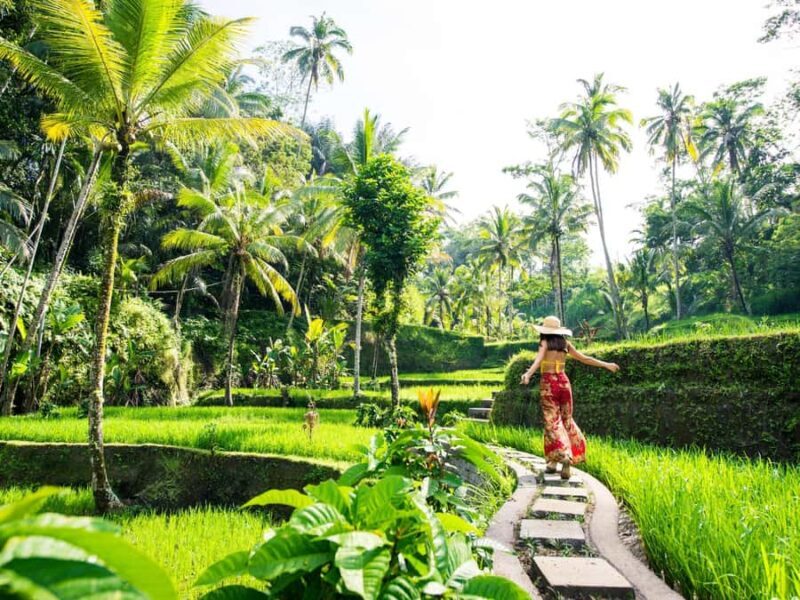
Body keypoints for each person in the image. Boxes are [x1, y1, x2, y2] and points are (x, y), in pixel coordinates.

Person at [520, 316, 619, 479]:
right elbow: (584, 359)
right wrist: (606, 364)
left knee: (552, 421)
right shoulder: (565, 344)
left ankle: (564, 455)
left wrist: (528, 374)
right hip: (564, 383)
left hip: (549, 383)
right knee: (566, 419)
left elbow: (538, 360)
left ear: (544, 331)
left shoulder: (544, 343)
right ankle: (553, 462)